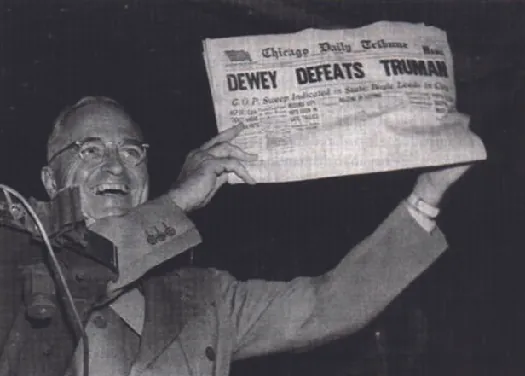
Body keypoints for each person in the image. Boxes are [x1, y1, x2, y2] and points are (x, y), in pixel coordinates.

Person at [0, 96, 471, 376]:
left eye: (131, 151)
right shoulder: (18, 260)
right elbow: (76, 277)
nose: (115, 165)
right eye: (89, 149)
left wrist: (426, 196)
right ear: (48, 179)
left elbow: (323, 305)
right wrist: (178, 202)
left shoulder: (204, 296)